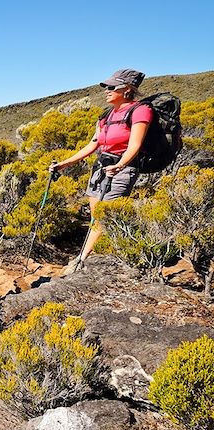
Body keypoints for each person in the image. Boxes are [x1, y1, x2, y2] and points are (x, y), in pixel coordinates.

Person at [50, 68, 152, 275]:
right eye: (105, 86)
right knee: (96, 217)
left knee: (105, 217)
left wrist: (121, 165)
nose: (106, 90)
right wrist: (64, 163)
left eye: (111, 87)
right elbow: (93, 144)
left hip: (122, 170)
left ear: (127, 89)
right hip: (101, 168)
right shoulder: (106, 115)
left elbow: (135, 144)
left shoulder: (141, 111)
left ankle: (82, 260)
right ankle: (87, 256)